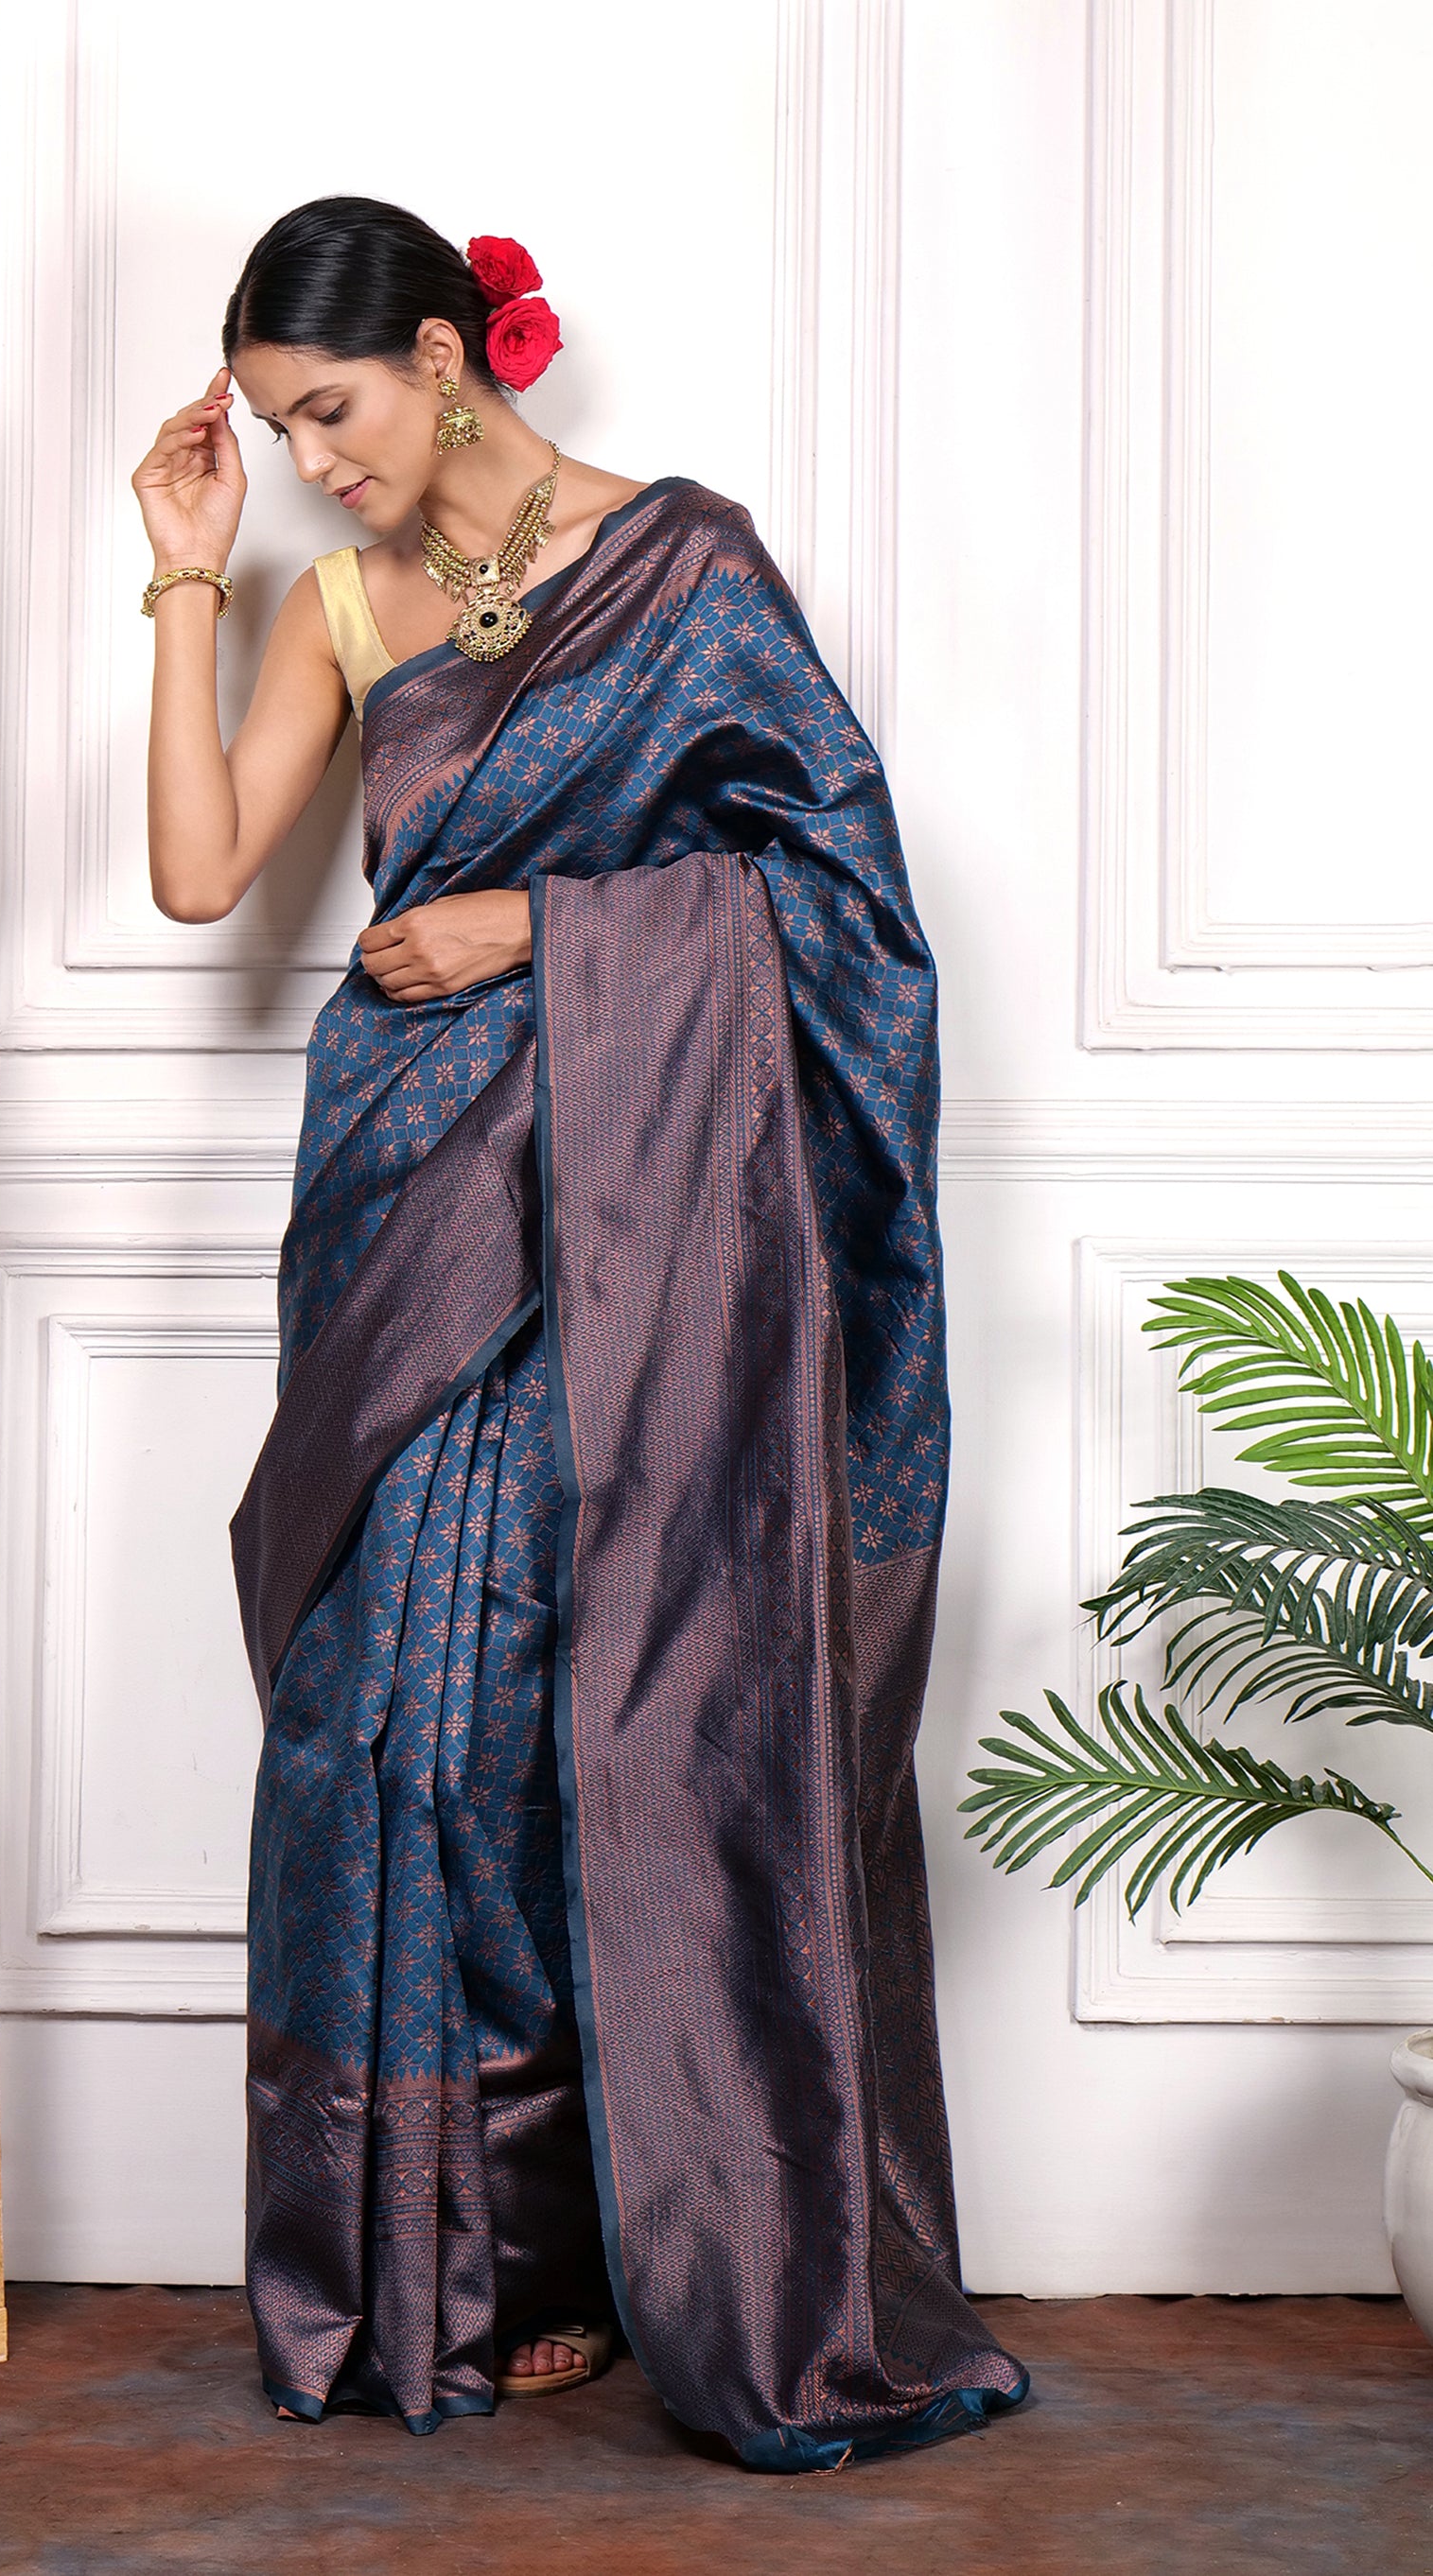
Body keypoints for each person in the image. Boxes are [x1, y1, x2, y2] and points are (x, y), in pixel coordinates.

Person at [132, 195, 1027, 2472]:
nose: (315, 458)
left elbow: (841, 905)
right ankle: (424, 2250)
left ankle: (620, 2252)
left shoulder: (689, 564)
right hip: (410, 1207)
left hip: (645, 1224)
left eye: (325, 409)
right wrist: (182, 568)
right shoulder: (336, 601)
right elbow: (202, 870)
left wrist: (544, 924)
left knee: (574, 1707)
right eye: (273, 424)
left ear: (444, 355)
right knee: (381, 1725)